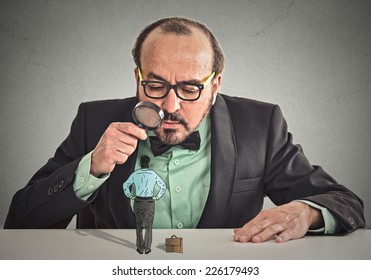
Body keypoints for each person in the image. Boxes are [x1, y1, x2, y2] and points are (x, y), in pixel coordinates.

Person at [4, 17, 365, 244]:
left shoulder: (260, 126)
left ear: (215, 84)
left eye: (190, 88)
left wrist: (305, 212)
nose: (170, 107)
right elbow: (19, 223)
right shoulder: (93, 121)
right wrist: (92, 167)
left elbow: (347, 204)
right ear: (137, 77)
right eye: (156, 86)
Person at [123, 155, 166, 254]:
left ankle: (140, 247)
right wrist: (157, 196)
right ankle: (147, 248)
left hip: (138, 201)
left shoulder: (135, 174)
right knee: (149, 226)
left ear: (140, 164)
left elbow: (125, 185)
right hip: (150, 202)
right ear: (149, 164)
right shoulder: (153, 174)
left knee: (138, 225)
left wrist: (130, 195)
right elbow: (163, 186)